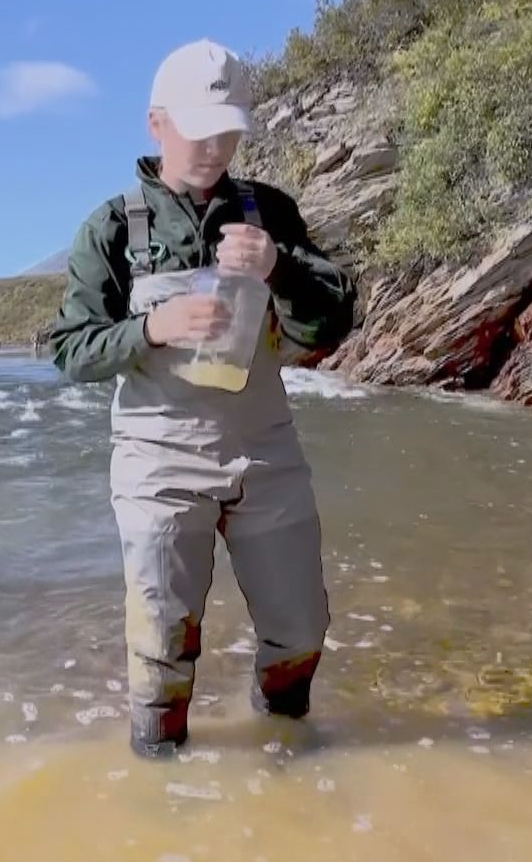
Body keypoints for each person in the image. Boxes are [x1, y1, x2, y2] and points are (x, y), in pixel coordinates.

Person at [44, 38, 361, 759]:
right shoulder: (111, 229)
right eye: (198, 128)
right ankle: (162, 797)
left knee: (301, 631)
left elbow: (331, 322)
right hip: (158, 459)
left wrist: (278, 265)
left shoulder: (269, 212)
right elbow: (69, 350)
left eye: (228, 130)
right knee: (159, 648)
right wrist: (150, 328)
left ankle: (292, 770)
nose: (215, 146)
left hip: (265, 448)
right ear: (156, 124)